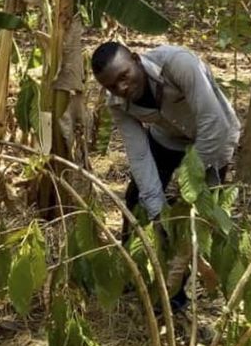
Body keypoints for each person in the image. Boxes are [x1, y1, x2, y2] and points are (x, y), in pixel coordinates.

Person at [91, 41, 240, 309]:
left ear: (136, 59)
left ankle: (173, 297)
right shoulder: (116, 102)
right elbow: (138, 155)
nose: (121, 88)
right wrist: (158, 209)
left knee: (189, 216)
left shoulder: (179, 64)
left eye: (124, 76)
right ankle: (133, 272)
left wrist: (185, 183)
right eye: (112, 85)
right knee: (138, 199)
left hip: (213, 139)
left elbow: (213, 123)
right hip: (168, 139)